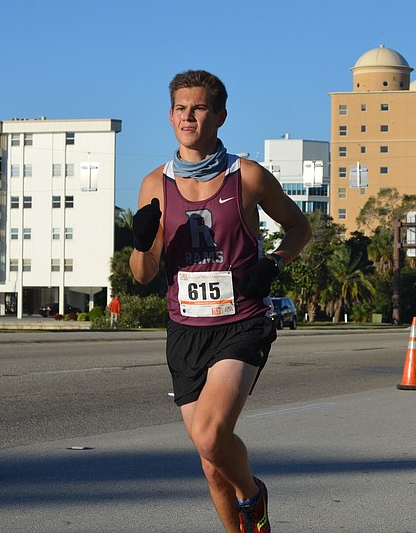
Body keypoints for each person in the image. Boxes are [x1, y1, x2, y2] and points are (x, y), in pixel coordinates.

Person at [130, 70, 311, 533]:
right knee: (212, 462)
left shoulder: (245, 175)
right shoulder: (155, 184)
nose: (187, 116)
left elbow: (299, 228)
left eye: (199, 107)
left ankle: (253, 494)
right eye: (179, 108)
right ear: (170, 116)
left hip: (241, 322)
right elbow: (145, 275)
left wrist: (272, 263)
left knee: (211, 438)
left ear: (220, 116)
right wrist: (140, 242)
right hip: (185, 330)